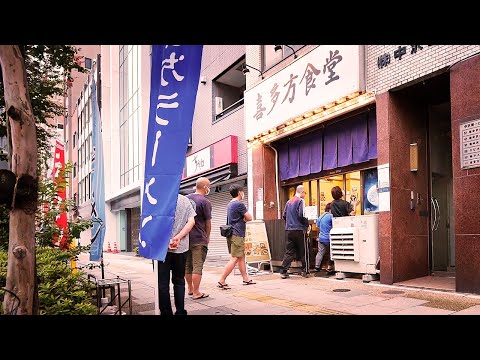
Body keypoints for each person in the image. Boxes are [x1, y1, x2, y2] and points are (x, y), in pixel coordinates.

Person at [157, 194, 196, 316]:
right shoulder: (185, 200)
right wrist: (178, 238)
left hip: (162, 249)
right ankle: (180, 312)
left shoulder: (160, 199)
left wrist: (167, 240)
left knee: (163, 283)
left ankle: (166, 312)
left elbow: (155, 223)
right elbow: (191, 221)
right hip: (181, 248)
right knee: (179, 281)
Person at [217, 184, 256, 289]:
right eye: (242, 192)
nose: (243, 194)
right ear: (239, 192)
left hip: (232, 234)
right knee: (235, 258)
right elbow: (249, 217)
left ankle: (245, 279)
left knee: (241, 257)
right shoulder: (239, 204)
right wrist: (244, 219)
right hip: (237, 234)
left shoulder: (230, 204)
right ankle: (222, 280)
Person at [185, 177, 212, 300]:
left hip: (186, 238)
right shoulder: (205, 202)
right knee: (197, 266)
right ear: (205, 187)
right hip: (199, 238)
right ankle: (196, 292)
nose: (209, 189)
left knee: (187, 265)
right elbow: (208, 223)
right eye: (209, 186)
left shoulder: (186, 199)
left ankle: (190, 289)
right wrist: (207, 237)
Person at [279, 184, 309, 279]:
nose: (305, 194)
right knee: (303, 251)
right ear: (301, 192)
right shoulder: (301, 201)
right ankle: (305, 271)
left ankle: (284, 271)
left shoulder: (288, 202)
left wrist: (289, 223)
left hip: (289, 230)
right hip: (299, 229)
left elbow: (284, 215)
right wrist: (307, 224)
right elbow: (301, 214)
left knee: (289, 251)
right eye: (305, 192)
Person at [314, 202, 335, 274]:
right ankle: (329, 267)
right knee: (331, 252)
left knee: (320, 252)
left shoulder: (321, 216)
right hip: (328, 238)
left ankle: (317, 267)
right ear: (330, 209)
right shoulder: (331, 216)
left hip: (321, 238)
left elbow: (317, 227)